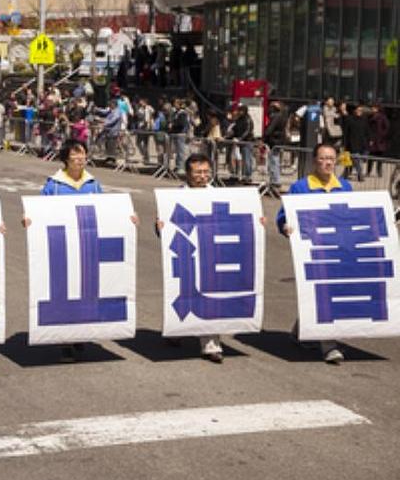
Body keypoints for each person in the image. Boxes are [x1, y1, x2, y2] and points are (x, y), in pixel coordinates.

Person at [24, 139, 137, 362]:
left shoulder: (93, 184)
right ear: (66, 158)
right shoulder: (54, 185)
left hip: (87, 246)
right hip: (62, 246)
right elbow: (40, 211)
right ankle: (65, 342)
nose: (79, 159)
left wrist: (127, 218)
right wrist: (30, 220)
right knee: (65, 289)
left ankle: (79, 333)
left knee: (85, 289)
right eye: (74, 155)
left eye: (82, 154)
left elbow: (105, 212)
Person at [154, 154, 265, 362]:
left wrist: (256, 222)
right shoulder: (175, 197)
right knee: (183, 293)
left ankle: (211, 345)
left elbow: (235, 222)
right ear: (188, 174)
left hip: (211, 254)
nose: (203, 176)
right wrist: (161, 227)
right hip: (186, 255)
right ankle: (177, 331)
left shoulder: (219, 195)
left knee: (209, 294)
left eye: (206, 172)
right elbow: (165, 228)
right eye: (198, 172)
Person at [276, 142, 350, 365]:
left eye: (331, 159)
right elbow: (283, 215)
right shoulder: (300, 187)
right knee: (322, 290)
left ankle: (301, 331)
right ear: (314, 161)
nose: (327, 163)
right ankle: (329, 345)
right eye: (323, 158)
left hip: (337, 248)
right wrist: (285, 226)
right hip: (311, 248)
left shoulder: (345, 186)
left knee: (327, 290)